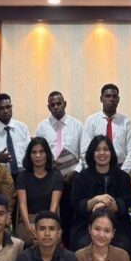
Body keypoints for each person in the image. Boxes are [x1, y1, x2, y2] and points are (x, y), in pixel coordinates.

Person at [70, 135, 131, 253]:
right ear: (92, 153)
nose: (102, 153)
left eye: (106, 149)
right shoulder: (81, 178)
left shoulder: (123, 177)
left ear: (111, 152)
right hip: (87, 225)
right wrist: (97, 200)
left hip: (117, 225)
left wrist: (103, 204)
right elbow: (78, 204)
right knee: (82, 245)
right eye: (97, 150)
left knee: (123, 246)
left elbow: (125, 203)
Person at [35, 91, 84, 247]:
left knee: (69, 216)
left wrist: (75, 171)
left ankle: (69, 248)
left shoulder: (77, 126)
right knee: (51, 214)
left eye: (59, 103)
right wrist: (48, 165)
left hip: (72, 178)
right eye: (53, 104)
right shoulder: (42, 127)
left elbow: (83, 153)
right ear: (48, 107)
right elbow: (38, 151)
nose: (56, 107)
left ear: (65, 104)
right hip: (49, 177)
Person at [15, 138, 63, 246]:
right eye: (34, 152)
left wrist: (45, 228)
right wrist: (29, 228)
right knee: (30, 241)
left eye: (41, 152)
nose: (38, 155)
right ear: (29, 155)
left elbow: (54, 207)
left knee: (47, 239)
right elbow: (22, 204)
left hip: (49, 220)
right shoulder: (22, 176)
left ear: (47, 154)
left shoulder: (56, 176)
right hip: (28, 221)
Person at [80, 84, 131, 175]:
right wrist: (92, 171)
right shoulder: (91, 121)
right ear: (101, 99)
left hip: (120, 168)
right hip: (96, 168)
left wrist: (121, 173)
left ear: (118, 100)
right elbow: (85, 150)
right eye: (107, 96)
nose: (111, 99)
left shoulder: (126, 122)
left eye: (114, 96)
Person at [0, 93, 31, 176]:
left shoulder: (23, 128)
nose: (5, 111)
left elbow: (30, 153)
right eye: (1, 108)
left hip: (23, 176)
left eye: (8, 107)